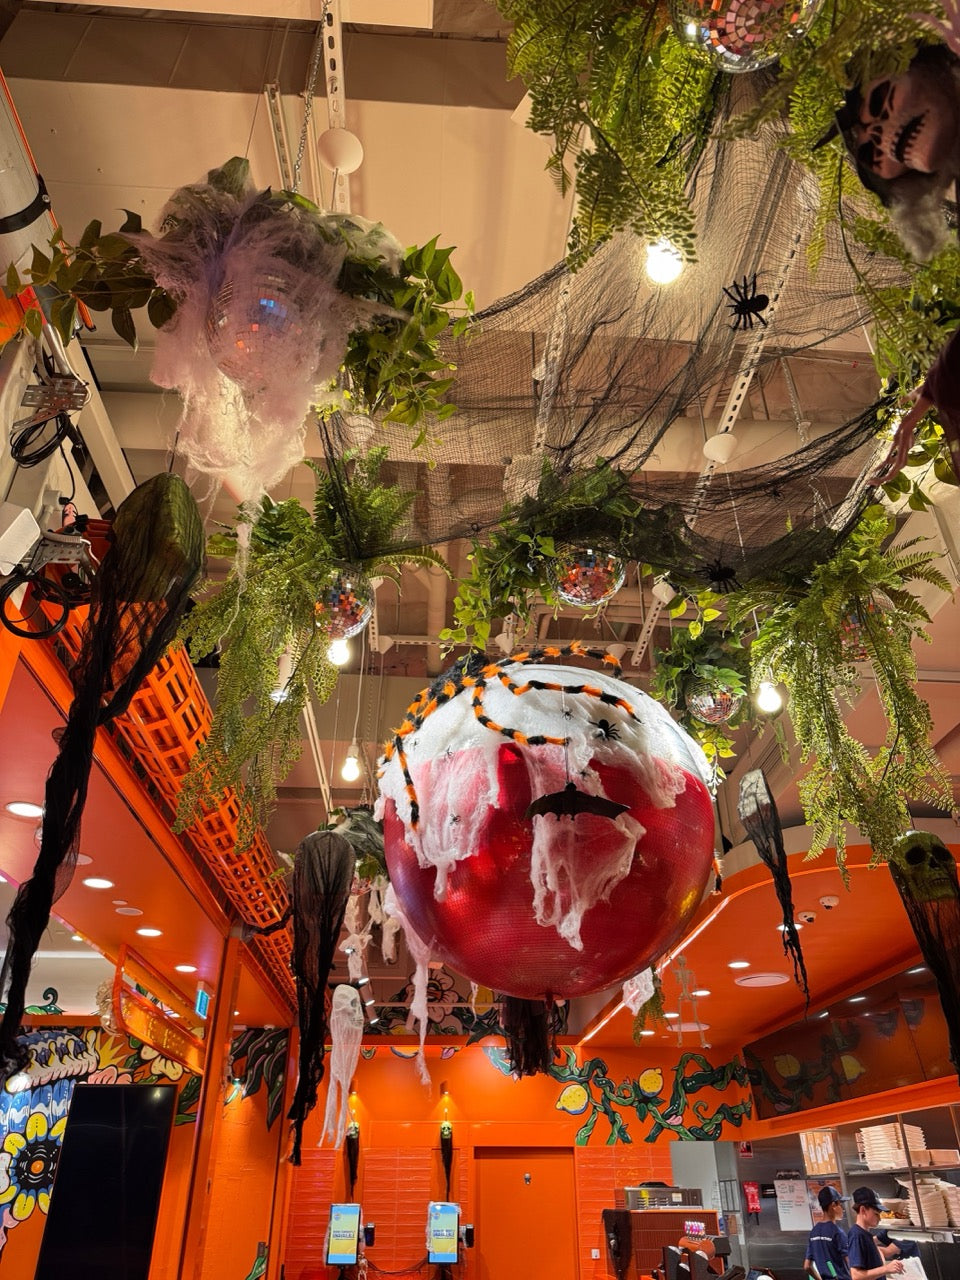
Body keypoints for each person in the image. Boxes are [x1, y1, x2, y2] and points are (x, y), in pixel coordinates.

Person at [848, 1188, 905, 1280]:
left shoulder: (866, 1235)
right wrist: (886, 1268)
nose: (880, 1218)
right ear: (863, 1210)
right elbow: (856, 1275)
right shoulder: (857, 1235)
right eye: (876, 1214)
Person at [804, 1185, 851, 1280]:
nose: (843, 1209)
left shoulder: (814, 1231)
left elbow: (807, 1266)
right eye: (840, 1204)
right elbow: (851, 1264)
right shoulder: (837, 1232)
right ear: (833, 1205)